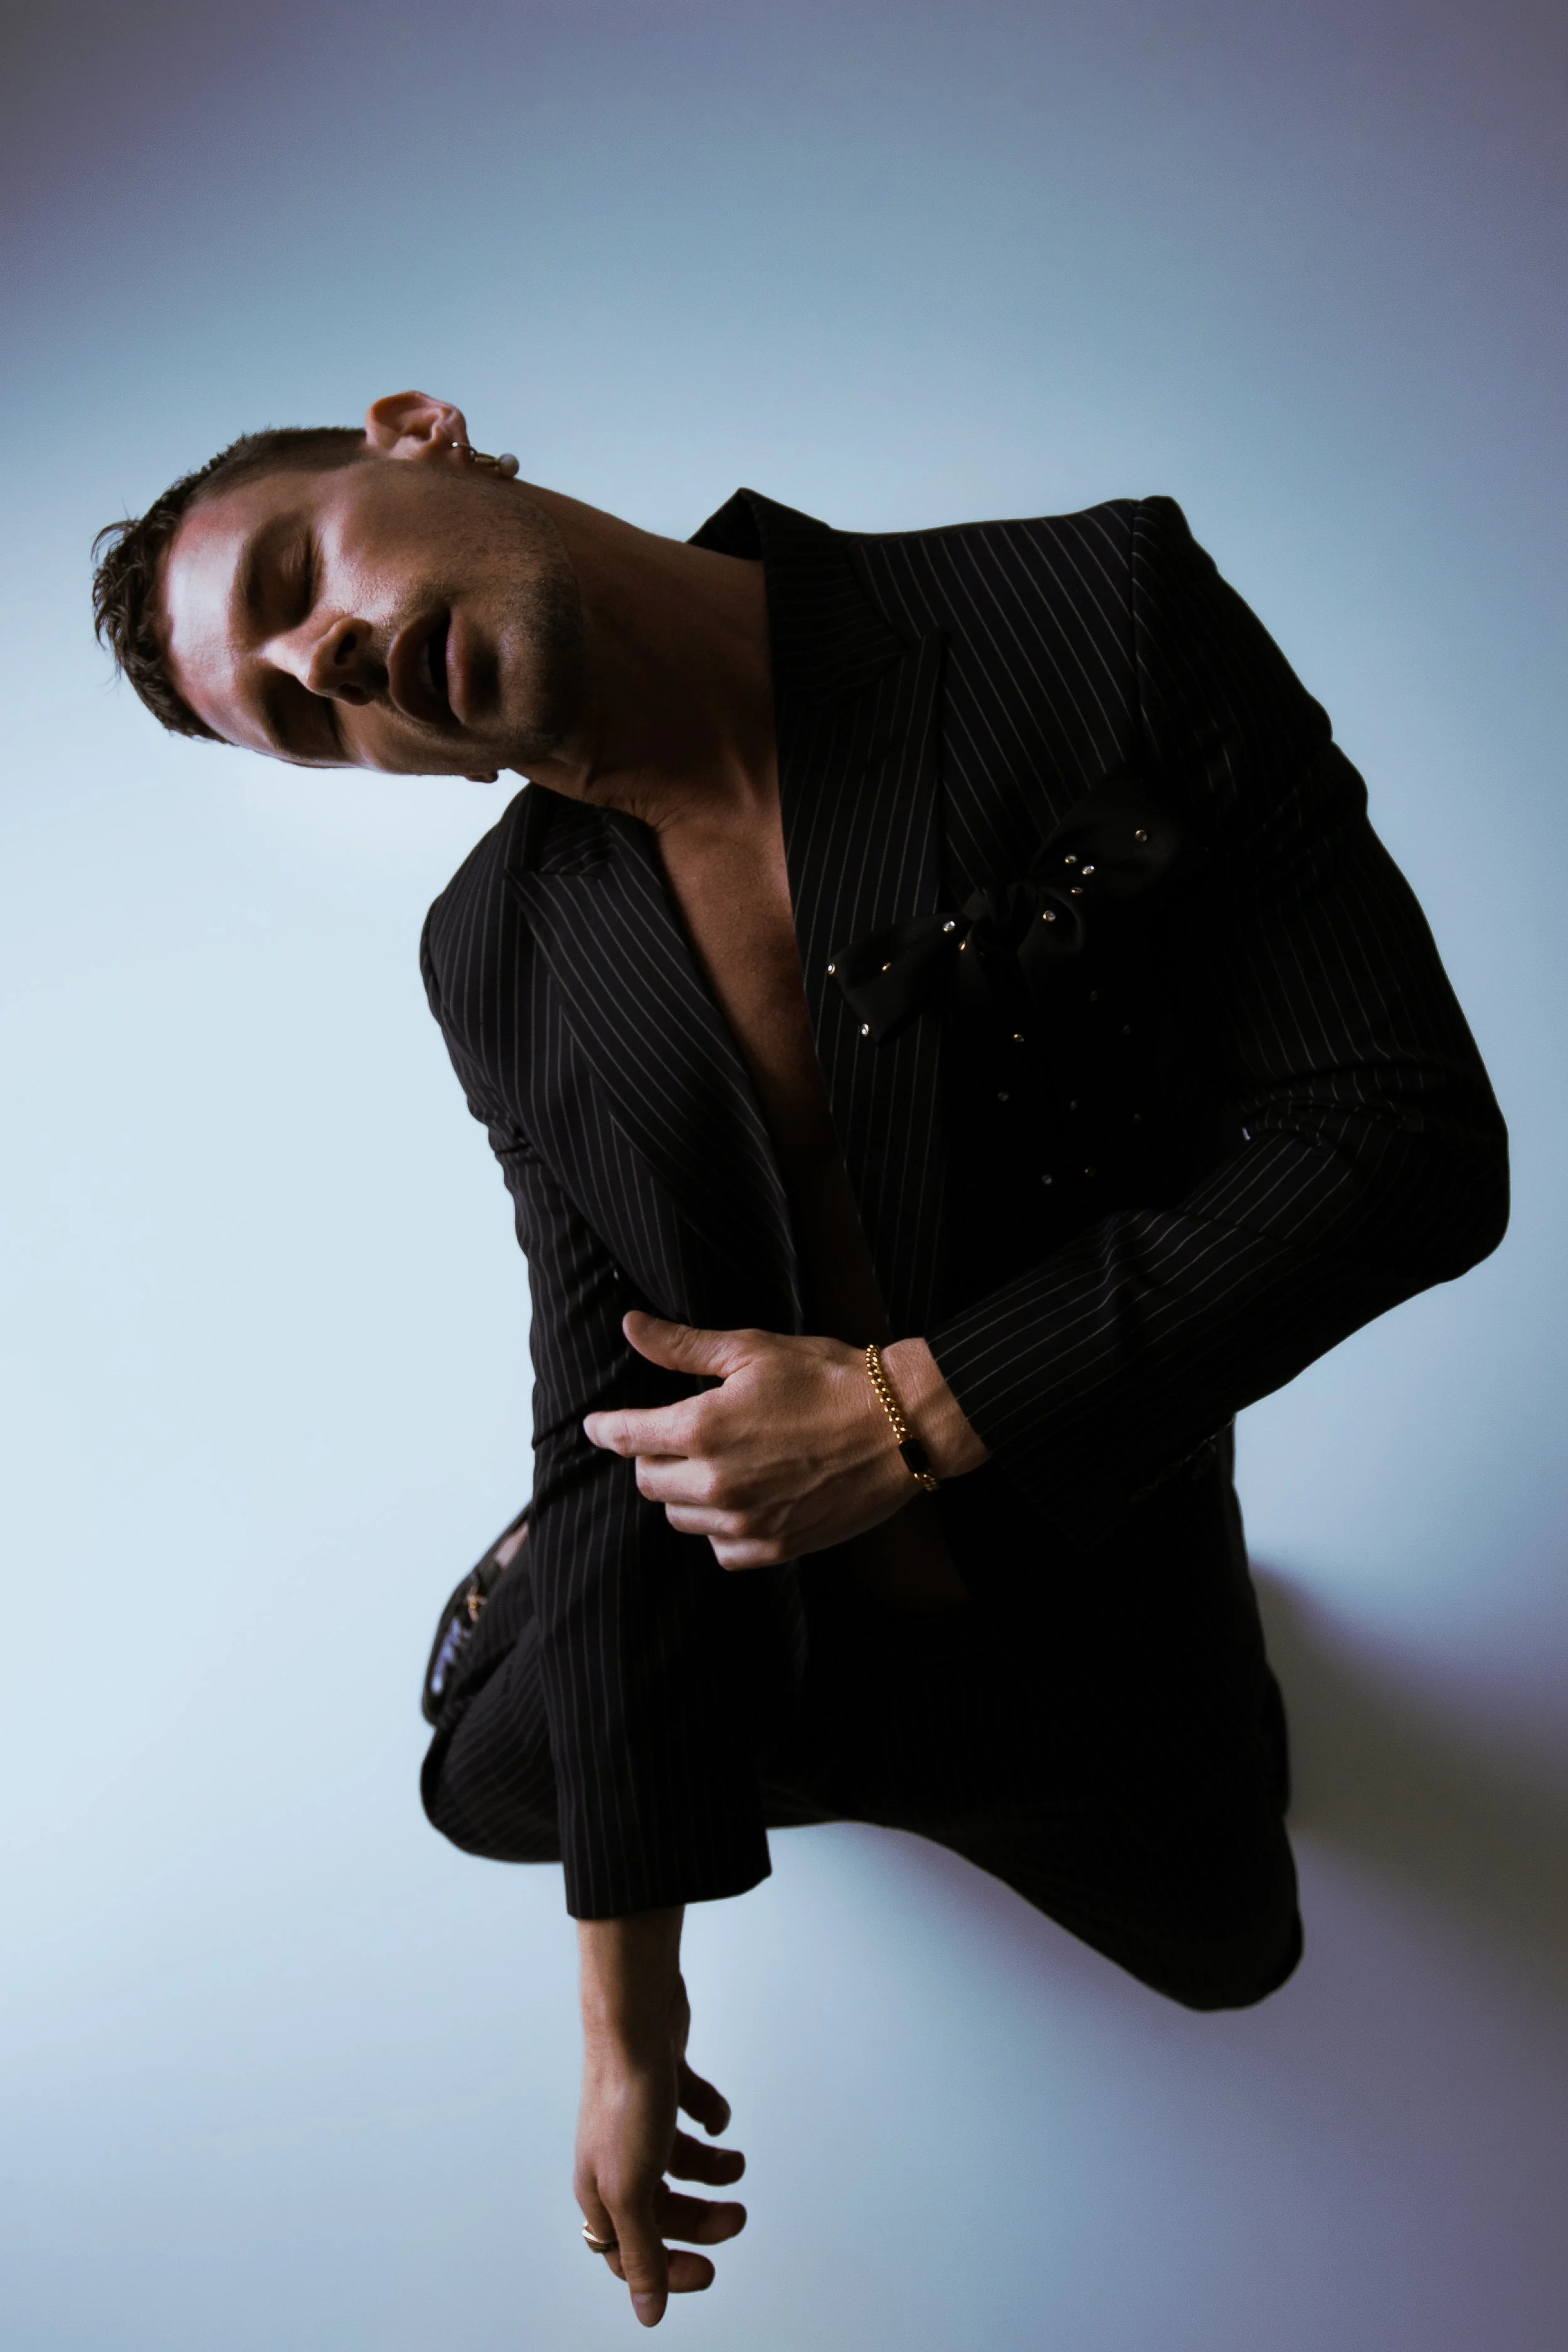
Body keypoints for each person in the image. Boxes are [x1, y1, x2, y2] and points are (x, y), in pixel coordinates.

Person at [92, 391, 1508, 2329]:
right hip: (769, 1607)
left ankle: (786, 1681)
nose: (328, 664)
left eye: (295, 577)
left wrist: (911, 1414)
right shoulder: (493, 945)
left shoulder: (1091, 608)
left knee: (1234, 1955)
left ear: (422, 440)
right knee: (477, 1777)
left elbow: (1402, 1135)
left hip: (1088, 1572)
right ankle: (598, 1622)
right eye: (302, 718)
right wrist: (627, 2023)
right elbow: (611, 1411)